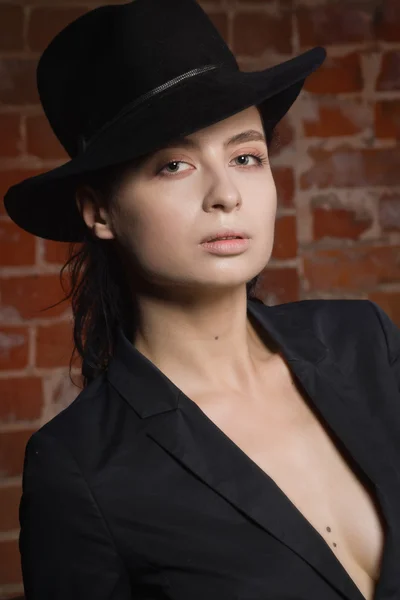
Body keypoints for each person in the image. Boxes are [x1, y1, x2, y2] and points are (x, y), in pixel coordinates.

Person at [4, 1, 400, 599]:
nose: (225, 194)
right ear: (99, 211)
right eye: (175, 165)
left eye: (246, 157)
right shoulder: (79, 469)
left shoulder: (363, 340)